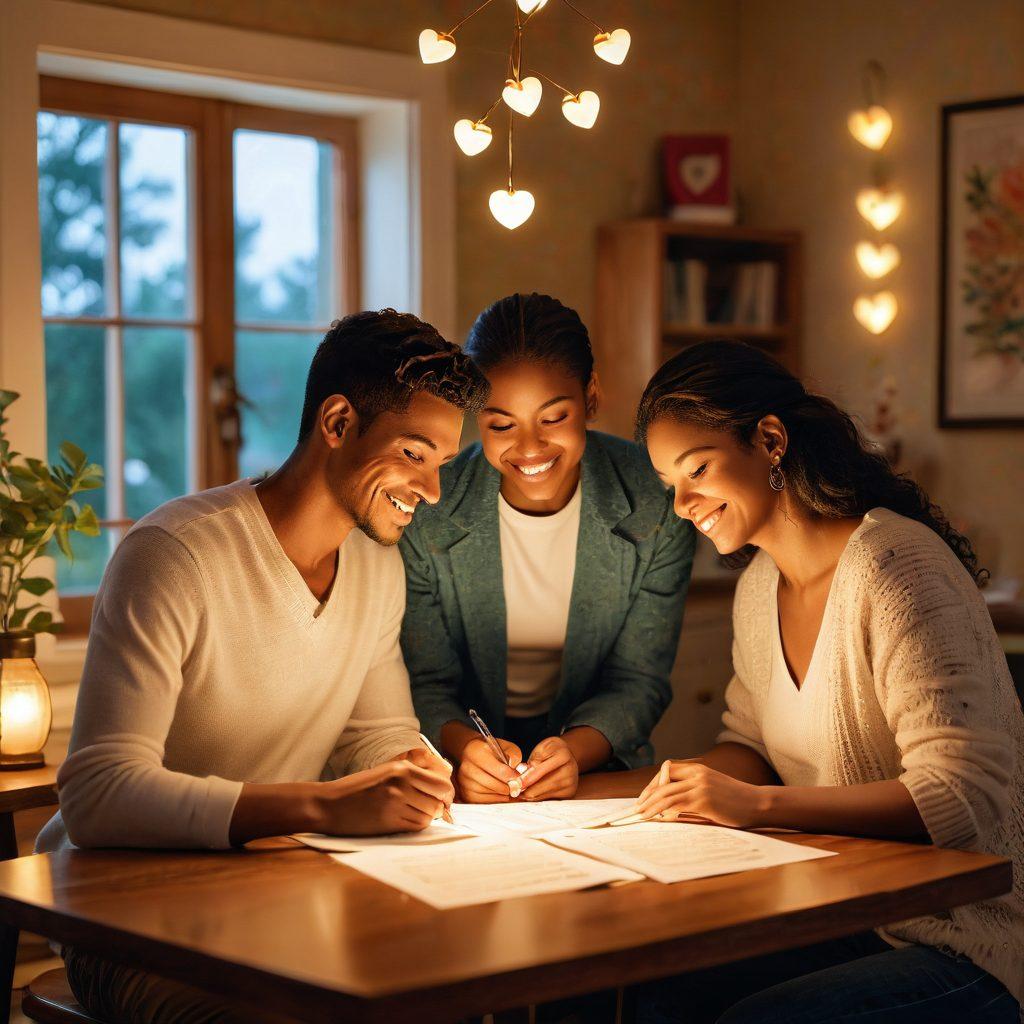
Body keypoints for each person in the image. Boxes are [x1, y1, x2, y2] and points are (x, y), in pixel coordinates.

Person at [36, 309, 491, 1024]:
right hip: (125, 916)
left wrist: (414, 767)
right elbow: (96, 795)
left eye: (441, 463)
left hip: (276, 894)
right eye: (413, 455)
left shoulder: (378, 568)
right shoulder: (175, 554)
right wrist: (319, 804)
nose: (431, 491)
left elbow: (374, 733)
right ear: (337, 423)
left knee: (459, 998)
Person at [630, 340, 1022, 1024]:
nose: (683, 504)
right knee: (655, 989)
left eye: (697, 470)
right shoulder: (759, 589)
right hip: (847, 913)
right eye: (671, 485)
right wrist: (681, 784)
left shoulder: (897, 569)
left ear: (771, 440)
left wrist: (753, 806)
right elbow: (749, 743)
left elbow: (961, 796)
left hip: (971, 940)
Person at [399, 292, 696, 804]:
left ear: (591, 397)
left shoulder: (657, 501)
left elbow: (638, 679)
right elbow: (425, 680)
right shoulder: (429, 508)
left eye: (553, 417)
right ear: (476, 420)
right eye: (501, 425)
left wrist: (575, 753)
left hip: (601, 776)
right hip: (462, 787)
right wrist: (466, 749)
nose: (530, 447)